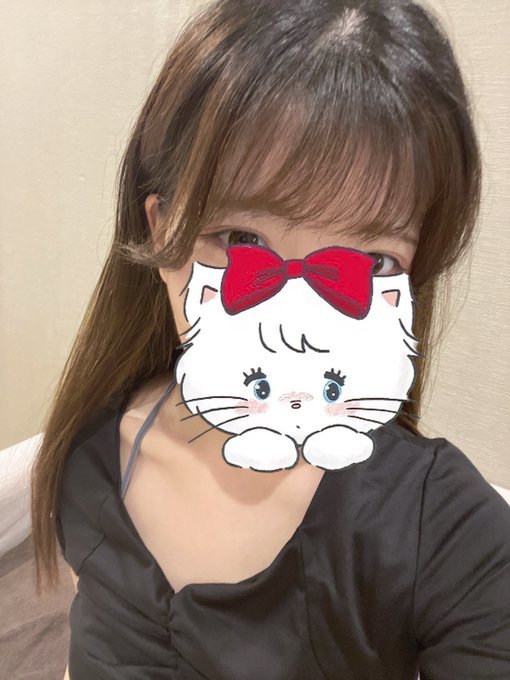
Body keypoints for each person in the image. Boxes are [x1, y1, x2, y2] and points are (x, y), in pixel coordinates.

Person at [30, 1, 510, 678]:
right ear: (162, 232)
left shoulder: (445, 533)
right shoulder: (91, 457)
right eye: (243, 240)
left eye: (370, 262)